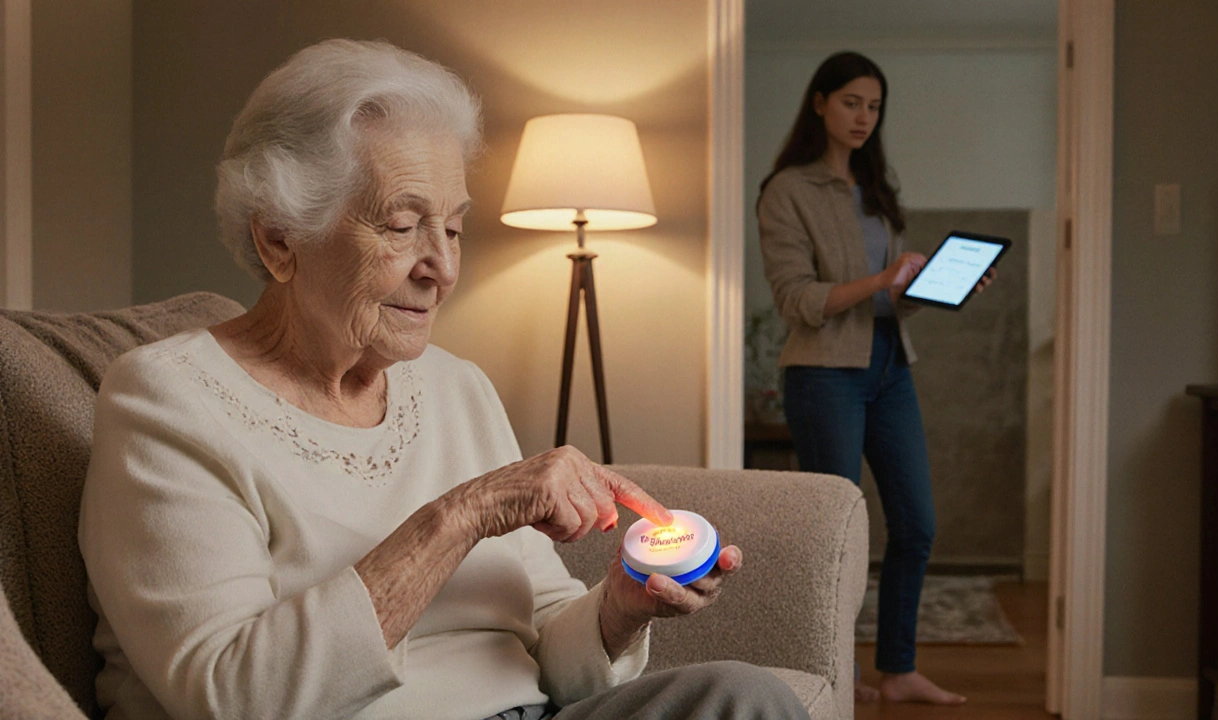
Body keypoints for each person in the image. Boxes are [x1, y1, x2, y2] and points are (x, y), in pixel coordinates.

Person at [78, 39, 810, 720]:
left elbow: (553, 655)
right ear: (279, 240)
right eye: (401, 227)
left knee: (744, 697)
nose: (443, 268)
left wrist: (620, 607)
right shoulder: (167, 402)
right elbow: (234, 695)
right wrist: (463, 514)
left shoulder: (455, 387)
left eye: (453, 228)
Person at [756, 51, 994, 706]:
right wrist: (883, 280)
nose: (864, 116)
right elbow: (798, 300)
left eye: (875, 106)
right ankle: (833, 666)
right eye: (852, 102)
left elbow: (890, 300)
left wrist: (943, 285)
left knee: (916, 523)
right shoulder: (787, 190)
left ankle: (897, 668)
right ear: (820, 104)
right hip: (824, 375)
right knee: (835, 532)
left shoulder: (877, 189)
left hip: (891, 367)